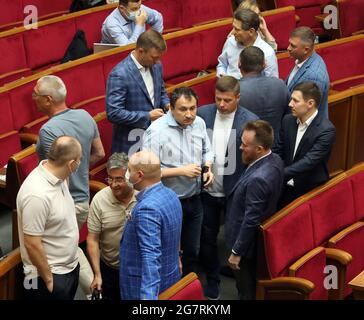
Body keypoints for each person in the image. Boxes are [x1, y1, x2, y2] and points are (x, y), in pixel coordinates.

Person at [34, 75, 105, 299]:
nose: (33, 98)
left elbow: (56, 175)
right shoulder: (84, 116)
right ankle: (95, 290)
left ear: (47, 99)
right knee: (71, 247)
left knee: (64, 253)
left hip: (64, 205)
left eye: (35, 95)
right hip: (83, 201)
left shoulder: (48, 131)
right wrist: (81, 169)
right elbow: (100, 153)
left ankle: (93, 291)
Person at [197, 76, 258, 299]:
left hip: (234, 192)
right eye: (218, 99)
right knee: (208, 237)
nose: (221, 105)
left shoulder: (250, 121)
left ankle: (239, 281)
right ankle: (212, 278)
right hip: (208, 190)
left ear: (238, 98)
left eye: (227, 100)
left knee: (234, 237)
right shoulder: (203, 114)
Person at [142, 87, 214, 276]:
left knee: (192, 251)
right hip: (170, 202)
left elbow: (208, 150)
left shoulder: (198, 123)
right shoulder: (156, 131)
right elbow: (147, 172)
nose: (189, 114)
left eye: (193, 108)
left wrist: (207, 168)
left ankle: (187, 291)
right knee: (169, 254)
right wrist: (181, 171)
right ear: (171, 108)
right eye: (183, 109)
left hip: (195, 198)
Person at [17, 136, 82, 300]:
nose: (80, 163)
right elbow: (32, 244)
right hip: (49, 276)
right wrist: (49, 280)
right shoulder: (37, 195)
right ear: (71, 164)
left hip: (69, 266)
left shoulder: (60, 176)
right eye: (79, 160)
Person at [225, 120, 284, 300]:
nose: (241, 147)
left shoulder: (259, 178)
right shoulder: (275, 159)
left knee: (246, 290)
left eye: (245, 144)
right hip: (256, 240)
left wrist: (237, 252)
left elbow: (251, 219)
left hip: (247, 247)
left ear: (259, 149)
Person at [119, 150, 183, 300]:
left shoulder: (147, 209)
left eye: (129, 170)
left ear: (139, 175)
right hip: (171, 276)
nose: (127, 174)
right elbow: (174, 236)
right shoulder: (171, 195)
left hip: (142, 287)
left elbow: (150, 258)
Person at [106, 29, 170, 154]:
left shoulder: (156, 66)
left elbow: (161, 92)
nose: (157, 61)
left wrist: (167, 104)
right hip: (130, 144)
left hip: (155, 138)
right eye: (154, 57)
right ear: (141, 51)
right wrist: (147, 116)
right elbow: (114, 113)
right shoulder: (119, 74)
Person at [273, 81, 336, 208]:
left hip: (309, 190)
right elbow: (277, 150)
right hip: (284, 187)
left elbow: (309, 161)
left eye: (295, 101)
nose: (290, 104)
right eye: (291, 99)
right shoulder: (288, 120)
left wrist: (278, 173)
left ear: (310, 104)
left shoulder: (326, 130)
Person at [87, 153, 136, 300]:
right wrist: (97, 274)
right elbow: (92, 240)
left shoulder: (142, 195)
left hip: (137, 268)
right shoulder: (99, 200)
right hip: (110, 269)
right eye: (110, 178)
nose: (114, 184)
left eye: (119, 179)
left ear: (129, 176)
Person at [238, 46, 290, 146]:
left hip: (246, 149)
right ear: (264, 65)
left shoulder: (235, 91)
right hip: (276, 146)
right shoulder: (280, 85)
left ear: (239, 64)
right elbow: (289, 116)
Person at [217, 8, 278, 80]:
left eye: (237, 29)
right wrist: (222, 76)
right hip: (229, 88)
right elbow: (222, 64)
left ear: (251, 31)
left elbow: (272, 82)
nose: (233, 32)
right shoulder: (230, 42)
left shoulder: (267, 53)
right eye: (233, 27)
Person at [286, 26, 330, 118]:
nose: (288, 48)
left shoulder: (313, 76)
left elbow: (307, 112)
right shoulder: (303, 59)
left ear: (306, 49)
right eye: (289, 44)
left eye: (293, 46)